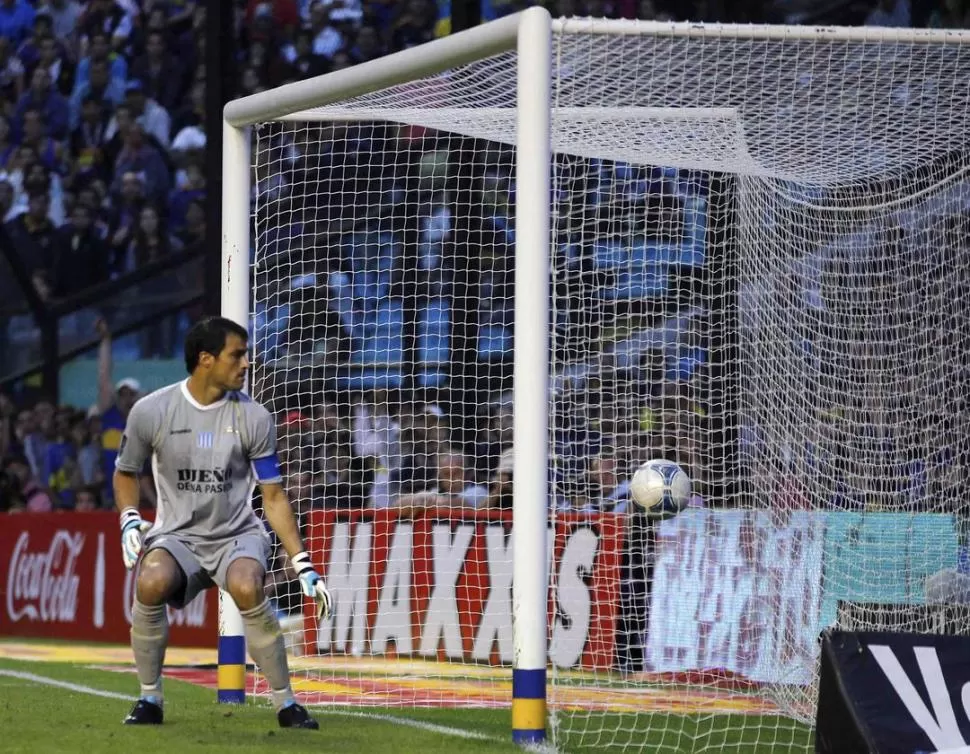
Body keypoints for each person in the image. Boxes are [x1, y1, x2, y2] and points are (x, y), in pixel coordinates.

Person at [113, 316, 332, 729]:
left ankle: (287, 704)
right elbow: (126, 470)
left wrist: (301, 561)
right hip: (177, 534)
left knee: (248, 585)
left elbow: (272, 495)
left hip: (237, 534)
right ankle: (149, 699)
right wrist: (129, 518)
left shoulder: (255, 417)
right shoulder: (151, 411)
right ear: (206, 359)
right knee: (150, 580)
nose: (247, 363)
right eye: (237, 354)